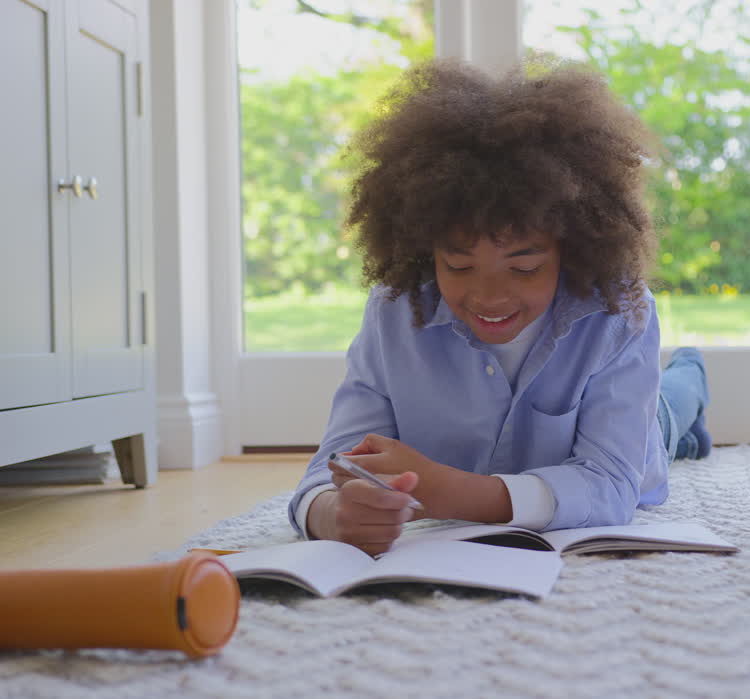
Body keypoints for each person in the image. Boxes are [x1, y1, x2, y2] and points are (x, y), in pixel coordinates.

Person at [288, 58, 712, 555]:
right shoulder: (395, 313)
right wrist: (332, 514)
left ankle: (692, 374)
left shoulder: (618, 311)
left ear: (570, 248)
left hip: (643, 431)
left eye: (524, 267)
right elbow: (330, 469)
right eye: (459, 266)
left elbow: (611, 485)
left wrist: (451, 492)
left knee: (667, 416)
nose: (489, 297)